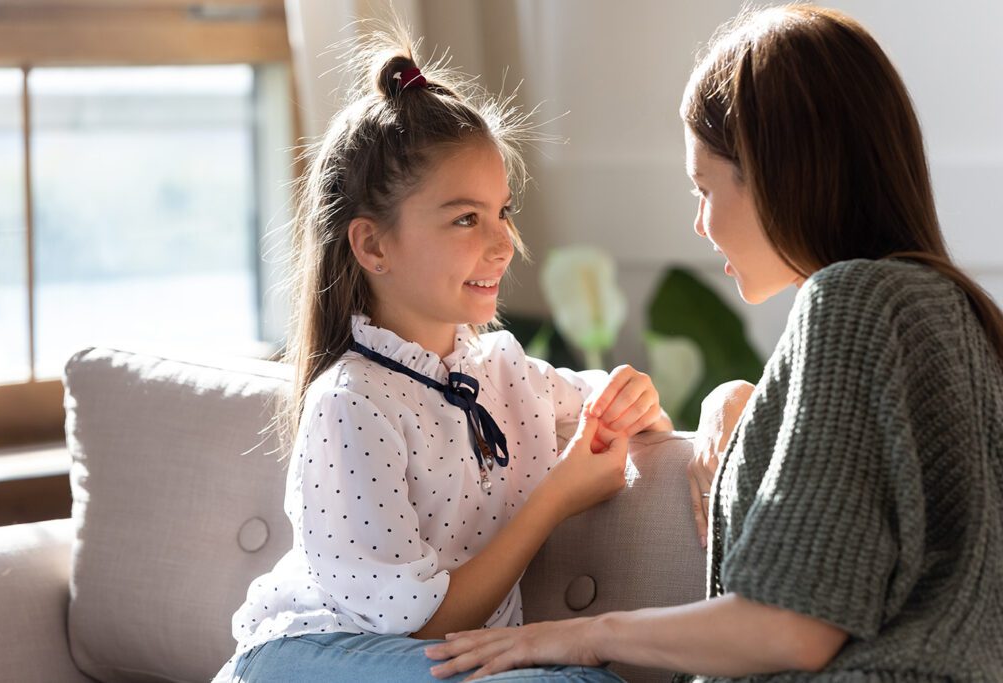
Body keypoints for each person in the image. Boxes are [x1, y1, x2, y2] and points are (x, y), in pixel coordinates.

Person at [426, 5, 1003, 681]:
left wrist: (579, 636)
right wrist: (738, 399)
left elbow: (791, 627)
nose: (699, 223)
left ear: (779, 171)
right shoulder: (950, 313)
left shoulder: (853, 300)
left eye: (704, 187)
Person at [212, 22, 672, 683]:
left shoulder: (503, 371)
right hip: (304, 660)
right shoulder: (352, 403)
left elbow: (613, 401)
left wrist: (659, 400)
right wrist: (556, 494)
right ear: (373, 247)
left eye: (503, 211)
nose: (503, 242)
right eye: (465, 218)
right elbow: (419, 624)